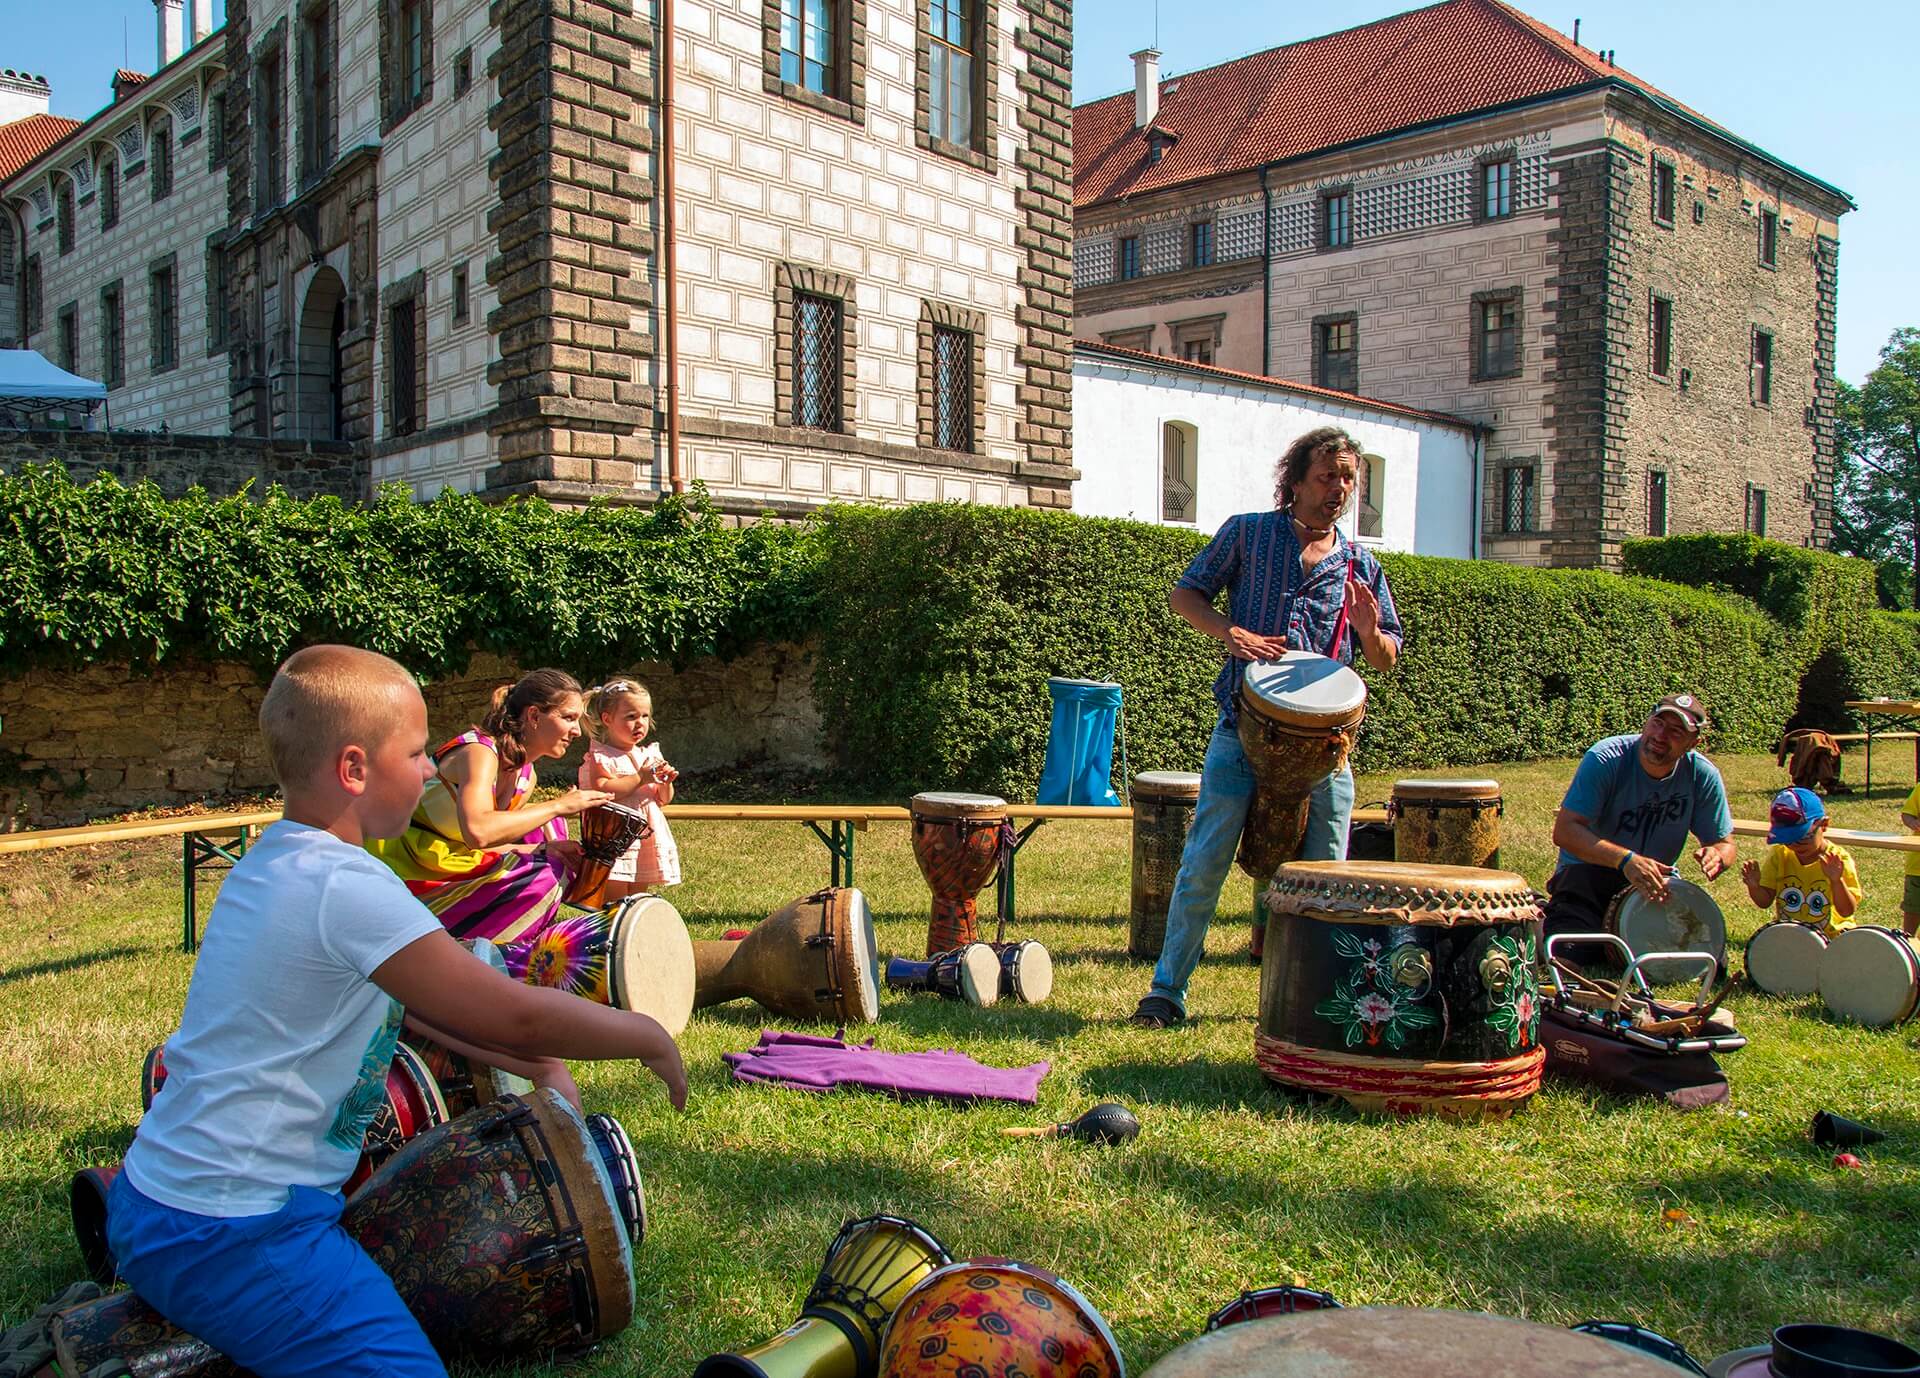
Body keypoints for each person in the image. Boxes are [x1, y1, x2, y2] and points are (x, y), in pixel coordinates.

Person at [106, 645, 686, 1378]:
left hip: (163, 1196)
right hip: (234, 1226)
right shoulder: (347, 887)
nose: (429, 770)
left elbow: (420, 1012)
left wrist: (536, 1067)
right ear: (354, 769)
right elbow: (512, 1012)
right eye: (415, 754)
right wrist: (643, 1034)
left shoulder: (276, 859)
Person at [1130, 426, 1402, 1029]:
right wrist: (1231, 632)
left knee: (1327, 877)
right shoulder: (1248, 533)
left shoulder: (1362, 564)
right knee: (1205, 860)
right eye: (1327, 475)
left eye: (1348, 478)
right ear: (1297, 480)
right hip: (1242, 732)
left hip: (1327, 748)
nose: (1339, 488)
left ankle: (1316, 1001)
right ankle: (1166, 991)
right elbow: (1186, 596)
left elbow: (1385, 658)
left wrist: (1366, 630)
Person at [367, 669, 609, 944]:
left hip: (447, 860)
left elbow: (483, 846)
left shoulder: (526, 776)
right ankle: (472, 950)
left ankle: (482, 941)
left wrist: (541, 848)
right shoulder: (480, 751)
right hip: (398, 866)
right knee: (545, 851)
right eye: (569, 718)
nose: (577, 731)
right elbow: (479, 831)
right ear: (533, 716)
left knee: (553, 849)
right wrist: (558, 806)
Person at [1543, 693, 1737, 942]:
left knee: (1695, 952)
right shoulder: (1606, 759)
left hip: (1655, 884)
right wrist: (1626, 861)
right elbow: (1565, 831)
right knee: (1569, 958)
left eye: (1676, 731)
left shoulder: (1702, 775)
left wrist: (1717, 855)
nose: (1660, 736)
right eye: (1658, 723)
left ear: (1693, 743)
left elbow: (1725, 844)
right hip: (1586, 876)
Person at [579, 679, 682, 901]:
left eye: (645, 716)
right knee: (614, 897)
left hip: (644, 835)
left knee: (636, 896)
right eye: (631, 717)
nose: (640, 723)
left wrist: (666, 783)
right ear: (607, 719)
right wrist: (640, 777)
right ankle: (611, 930)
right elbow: (604, 789)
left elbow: (663, 799)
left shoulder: (650, 755)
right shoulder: (602, 756)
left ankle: (630, 931)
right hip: (615, 837)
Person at [1742, 786, 1861, 937]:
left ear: (1824, 825)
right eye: (1788, 839)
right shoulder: (1780, 855)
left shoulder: (1837, 860)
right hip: (1792, 938)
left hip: (1834, 940)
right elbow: (1764, 902)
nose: (1795, 845)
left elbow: (1846, 911)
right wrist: (1754, 887)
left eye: (1803, 836)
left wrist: (1836, 881)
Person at [1900, 779, 1920, 938]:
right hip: (1917, 868)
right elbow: (1907, 814)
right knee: (1912, 909)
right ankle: (1907, 941)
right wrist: (1913, 822)